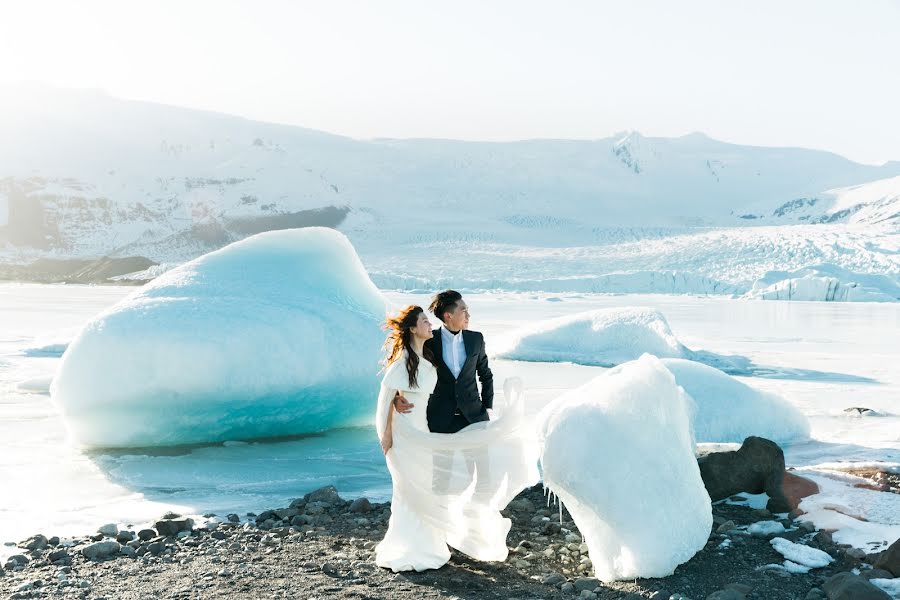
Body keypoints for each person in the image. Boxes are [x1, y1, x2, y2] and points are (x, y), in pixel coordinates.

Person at [374, 303, 539, 572]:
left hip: (424, 429)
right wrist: (387, 433)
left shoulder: (426, 353)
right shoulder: (406, 357)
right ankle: (410, 545)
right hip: (406, 434)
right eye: (424, 322)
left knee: (422, 484)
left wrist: (486, 407)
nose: (430, 326)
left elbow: (481, 374)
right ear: (414, 328)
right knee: (410, 488)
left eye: (429, 321)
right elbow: (384, 398)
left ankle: (427, 541)